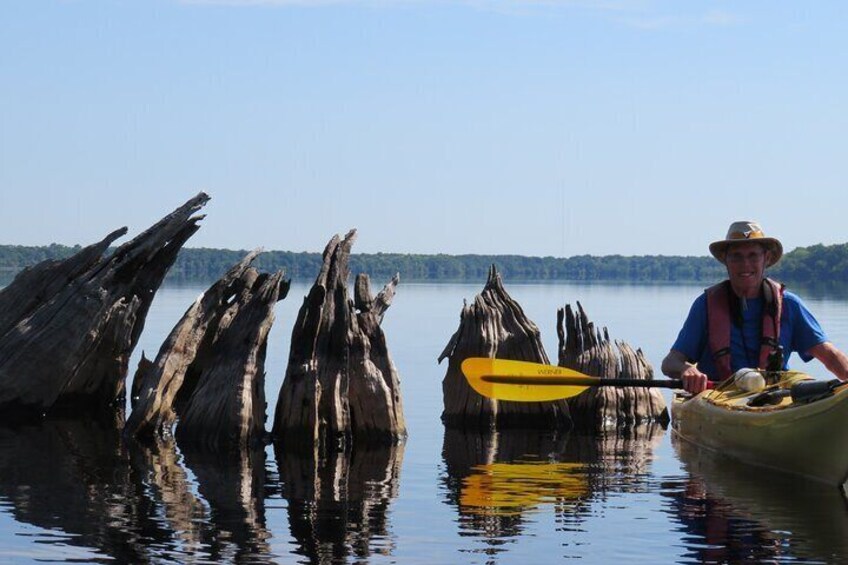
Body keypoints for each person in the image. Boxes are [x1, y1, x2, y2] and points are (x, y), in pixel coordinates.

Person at [661, 220, 848, 394]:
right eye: (737, 257)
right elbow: (670, 363)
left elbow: (830, 356)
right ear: (726, 260)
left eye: (753, 256)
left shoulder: (789, 305)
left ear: (766, 258)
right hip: (717, 400)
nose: (745, 265)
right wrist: (687, 369)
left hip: (773, 400)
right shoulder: (706, 305)